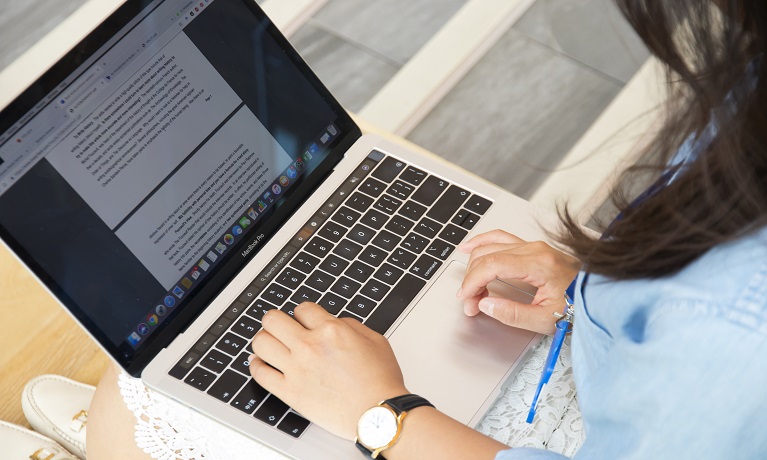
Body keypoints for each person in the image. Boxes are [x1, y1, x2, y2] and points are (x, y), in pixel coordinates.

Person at [84, 0, 767, 458]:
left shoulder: (740, 331)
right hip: (628, 375)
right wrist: (597, 295)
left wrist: (383, 414)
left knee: (129, 398)